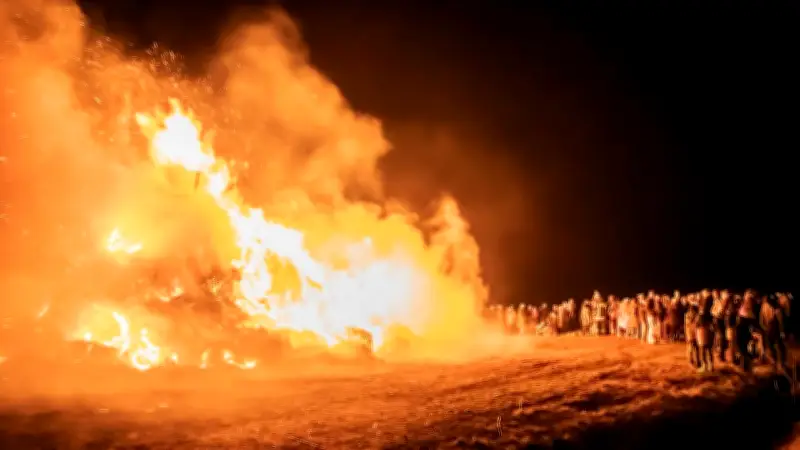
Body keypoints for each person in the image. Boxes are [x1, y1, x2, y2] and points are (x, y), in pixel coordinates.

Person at [685, 302, 700, 369]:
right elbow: (688, 323)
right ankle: (691, 361)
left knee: (696, 348)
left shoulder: (696, 315)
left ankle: (697, 361)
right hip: (691, 333)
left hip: (695, 333)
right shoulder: (688, 315)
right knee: (691, 347)